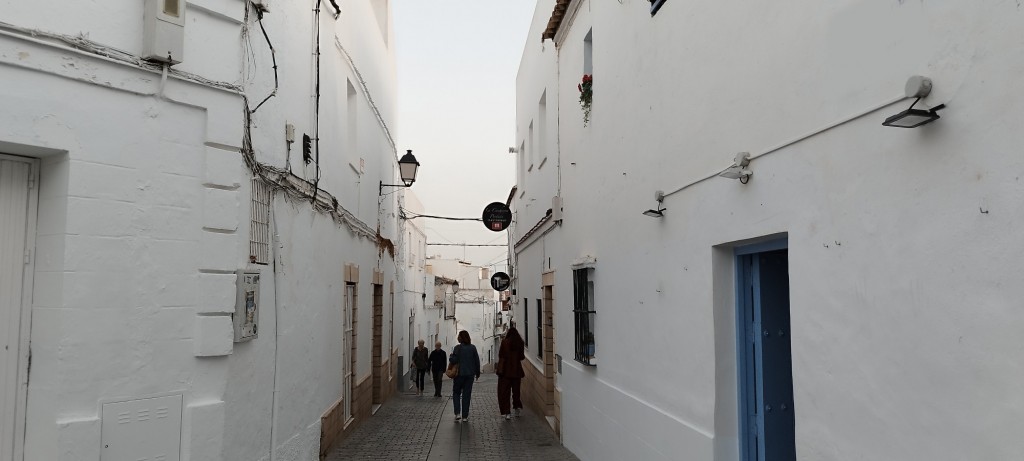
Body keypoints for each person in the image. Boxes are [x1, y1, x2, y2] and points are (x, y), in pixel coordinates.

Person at [449, 330, 481, 422]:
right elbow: (476, 361)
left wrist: (451, 356)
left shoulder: (457, 348)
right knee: (467, 395)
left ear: (461, 338)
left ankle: (457, 413)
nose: (457, 337)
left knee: (456, 393)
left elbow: (453, 360)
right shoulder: (473, 348)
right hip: (470, 375)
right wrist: (477, 373)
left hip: (459, 374)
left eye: (459, 336)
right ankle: (465, 416)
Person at [495, 326, 526, 420]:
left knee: (505, 392)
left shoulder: (504, 342)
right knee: (516, 391)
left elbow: (501, 355)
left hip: (505, 371)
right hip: (517, 371)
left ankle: (507, 413)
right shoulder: (520, 343)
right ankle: (517, 408)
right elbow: (522, 357)